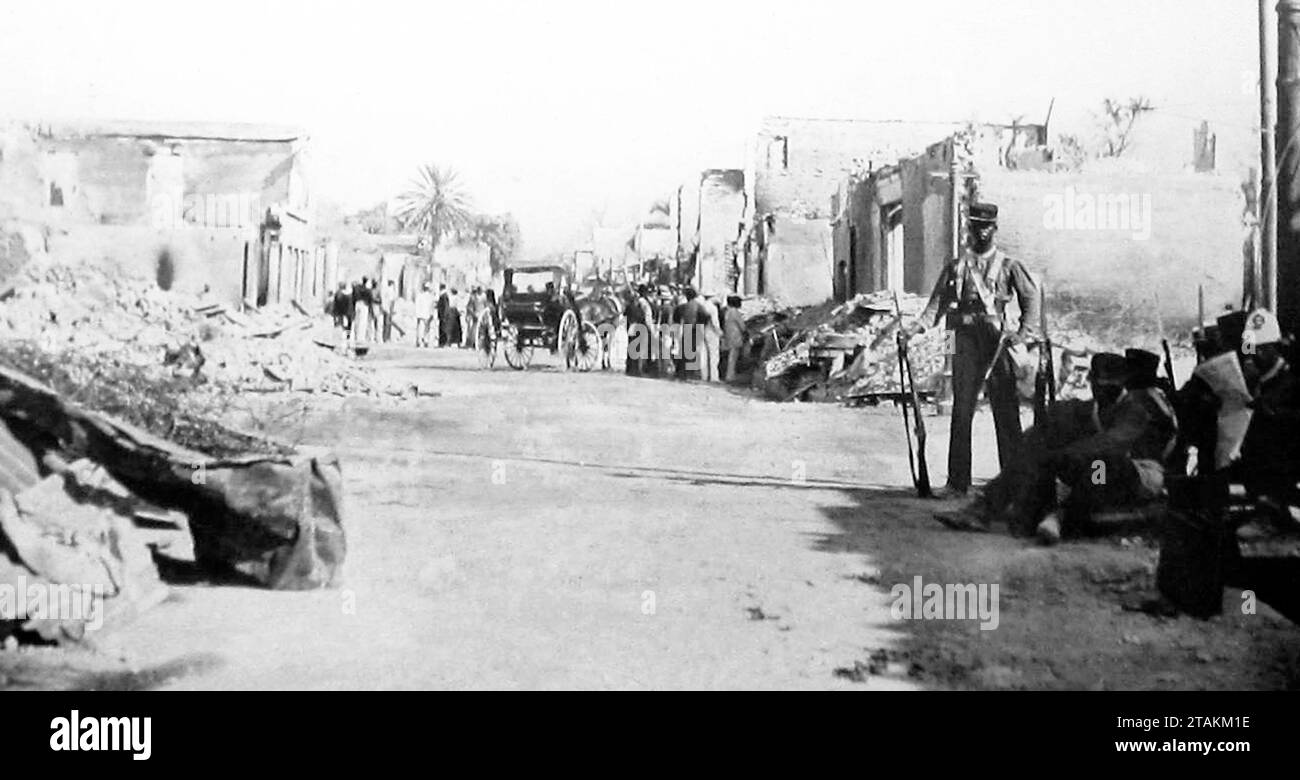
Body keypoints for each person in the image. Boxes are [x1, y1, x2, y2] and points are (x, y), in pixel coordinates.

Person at [905, 202, 1040, 496]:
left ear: (995, 229)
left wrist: (1023, 334)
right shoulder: (956, 267)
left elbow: (1031, 298)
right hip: (961, 339)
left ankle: (1013, 483)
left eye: (986, 227)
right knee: (961, 410)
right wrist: (913, 330)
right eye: (975, 226)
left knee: (1006, 411)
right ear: (968, 227)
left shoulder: (1009, 266)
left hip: (997, 342)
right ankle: (957, 483)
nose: (980, 232)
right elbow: (935, 307)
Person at [721, 295, 745, 382]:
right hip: (736, 336)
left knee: (730, 357)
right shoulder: (736, 313)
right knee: (733, 358)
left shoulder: (727, 312)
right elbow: (742, 326)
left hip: (728, 336)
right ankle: (730, 376)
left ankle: (729, 375)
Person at [699, 295, 722, 383]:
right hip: (711, 332)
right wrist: (720, 333)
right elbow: (715, 323)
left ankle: (704, 375)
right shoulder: (713, 308)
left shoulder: (701, 306)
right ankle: (714, 377)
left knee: (703, 354)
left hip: (701, 330)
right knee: (714, 355)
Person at [415, 282, 436, 348]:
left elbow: (418, 306)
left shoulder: (422, 296)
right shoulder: (429, 297)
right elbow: (432, 307)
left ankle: (422, 341)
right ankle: (423, 341)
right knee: (425, 329)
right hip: (426, 315)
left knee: (423, 329)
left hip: (423, 315)